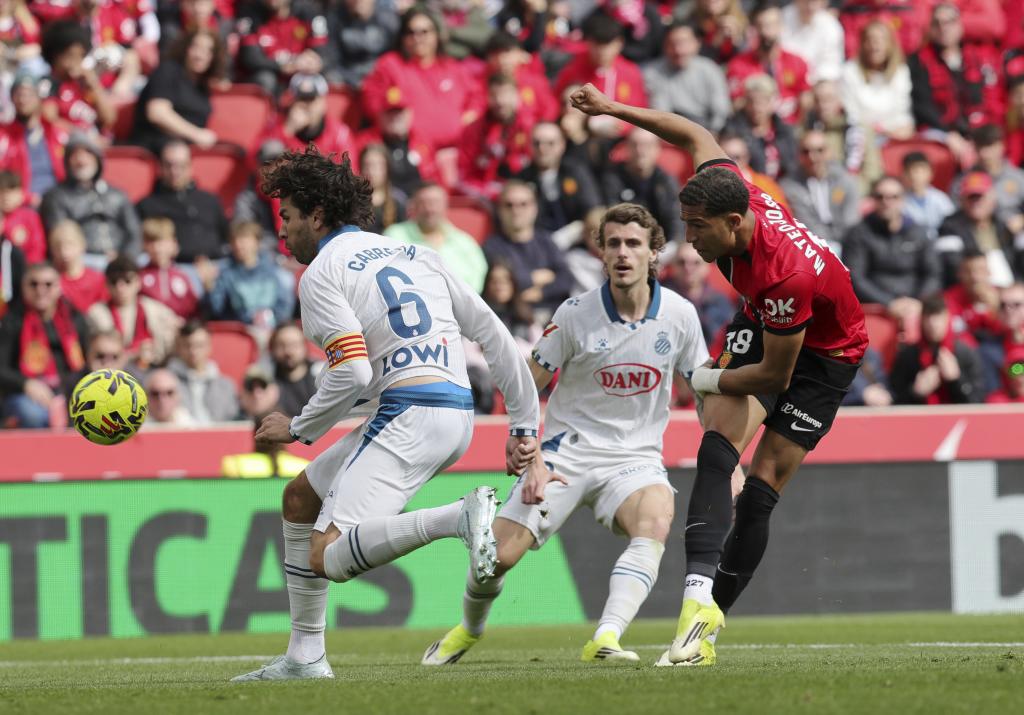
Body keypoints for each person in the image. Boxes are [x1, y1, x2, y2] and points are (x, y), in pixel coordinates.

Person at [568, 83, 867, 666]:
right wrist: (612, 108)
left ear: (734, 222)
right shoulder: (732, 188)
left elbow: (775, 376)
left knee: (759, 492)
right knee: (716, 449)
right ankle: (695, 600)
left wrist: (704, 380)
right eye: (685, 223)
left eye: (698, 227)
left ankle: (703, 633)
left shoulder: (785, 274)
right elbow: (693, 133)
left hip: (827, 354)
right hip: (768, 319)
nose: (688, 239)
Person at [231, 146, 540, 681]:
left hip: (409, 413)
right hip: (454, 411)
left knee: (326, 556)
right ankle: (304, 657)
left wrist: (299, 427)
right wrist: (524, 424)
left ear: (317, 216)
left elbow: (352, 371)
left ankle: (457, 518)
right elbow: (494, 333)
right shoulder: (414, 253)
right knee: (300, 499)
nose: (282, 232)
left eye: (288, 217)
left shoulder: (321, 273)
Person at [421, 202, 709, 666]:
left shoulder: (680, 315)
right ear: (600, 253)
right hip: (564, 455)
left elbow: (703, 391)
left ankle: (606, 637)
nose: (623, 253)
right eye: (613, 243)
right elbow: (526, 382)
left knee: (656, 519)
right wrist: (529, 450)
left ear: (654, 252)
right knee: (494, 559)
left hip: (634, 458)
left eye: (633, 244)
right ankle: (468, 630)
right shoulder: (575, 314)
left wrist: (727, 459)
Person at [843, 176, 942, 334]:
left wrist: (918, 301)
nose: (886, 202)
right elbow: (855, 278)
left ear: (903, 200)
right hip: (875, 309)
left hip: (915, 306)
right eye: (880, 197)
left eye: (893, 197)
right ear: (873, 200)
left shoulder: (919, 232)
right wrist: (889, 303)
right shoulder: (858, 234)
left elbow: (933, 274)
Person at [0, 261, 87, 428]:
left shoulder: (74, 319)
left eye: (48, 284)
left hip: (72, 390)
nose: (40, 290)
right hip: (27, 394)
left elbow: (88, 359)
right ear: (24, 288)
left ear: (59, 287)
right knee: (32, 414)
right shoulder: (12, 321)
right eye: (33, 284)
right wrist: (26, 384)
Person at [40, 132, 141, 266]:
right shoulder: (56, 197)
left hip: (121, 259)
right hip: (83, 260)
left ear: (97, 159)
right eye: (75, 155)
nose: (81, 160)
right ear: (67, 161)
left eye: (88, 153)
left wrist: (124, 258)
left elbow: (134, 232)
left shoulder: (117, 194)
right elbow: (61, 238)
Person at [483, 180, 573, 322]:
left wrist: (541, 292)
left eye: (523, 204)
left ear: (535, 208)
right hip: (513, 322)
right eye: (509, 205)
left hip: (555, 320)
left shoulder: (546, 241)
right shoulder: (492, 246)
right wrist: (536, 277)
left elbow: (566, 279)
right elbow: (502, 284)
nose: (516, 210)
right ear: (499, 210)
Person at [131, 27, 225, 154]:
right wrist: (196, 134)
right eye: (195, 47)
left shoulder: (202, 85)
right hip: (156, 147)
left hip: (189, 150)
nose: (200, 55)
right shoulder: (168, 70)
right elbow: (157, 112)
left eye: (208, 51)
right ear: (185, 48)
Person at [137, 140, 228, 268]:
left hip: (219, 265)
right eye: (169, 165)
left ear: (190, 167)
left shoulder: (210, 200)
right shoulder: (147, 205)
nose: (175, 171)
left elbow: (226, 236)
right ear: (160, 167)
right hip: (176, 268)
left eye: (181, 165)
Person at [383, 182, 487, 293]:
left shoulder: (464, 241)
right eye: (423, 203)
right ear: (413, 206)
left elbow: (479, 273)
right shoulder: (395, 236)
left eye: (435, 202)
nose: (430, 209)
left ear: (446, 205)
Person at [889, 292, 985, 404]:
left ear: (947, 318)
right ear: (921, 320)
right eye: (928, 317)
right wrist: (915, 392)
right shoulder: (908, 356)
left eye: (938, 317)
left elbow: (977, 401)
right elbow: (894, 400)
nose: (933, 324)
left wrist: (956, 380)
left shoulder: (964, 353)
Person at [726, 2, 811, 126]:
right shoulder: (738, 65)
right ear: (753, 29)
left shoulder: (797, 62)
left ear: (781, 26)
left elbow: (806, 102)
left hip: (790, 127)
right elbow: (735, 104)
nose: (766, 32)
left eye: (771, 25)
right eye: (761, 26)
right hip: (752, 129)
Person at [778, 129, 861, 255]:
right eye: (806, 152)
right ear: (798, 155)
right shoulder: (789, 186)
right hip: (811, 247)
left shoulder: (846, 181)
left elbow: (850, 220)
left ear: (829, 152)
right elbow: (805, 222)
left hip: (847, 243)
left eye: (819, 150)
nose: (812, 157)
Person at [643, 22, 731, 135]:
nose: (678, 50)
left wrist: (713, 132)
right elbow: (659, 113)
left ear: (697, 43)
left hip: (706, 130)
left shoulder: (710, 69)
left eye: (683, 43)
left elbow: (721, 110)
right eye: (672, 44)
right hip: (667, 132)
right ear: (664, 46)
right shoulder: (651, 73)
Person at [515, 121, 602, 235]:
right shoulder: (521, 179)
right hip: (536, 240)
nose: (542, 148)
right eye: (537, 143)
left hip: (578, 239)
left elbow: (593, 209)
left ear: (562, 145)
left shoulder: (576, 171)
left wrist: (570, 235)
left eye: (550, 143)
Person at [600, 128, 684, 244]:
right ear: (626, 148)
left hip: (660, 245)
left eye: (647, 146)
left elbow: (675, 221)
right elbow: (609, 215)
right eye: (634, 145)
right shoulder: (611, 178)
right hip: (622, 242)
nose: (640, 151)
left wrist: (672, 246)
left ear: (657, 149)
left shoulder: (666, 182)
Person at [207, 220, 295, 329]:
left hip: (273, 329)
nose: (238, 244)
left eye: (244, 239)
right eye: (234, 240)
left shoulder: (274, 271)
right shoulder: (225, 274)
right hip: (241, 331)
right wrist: (210, 288)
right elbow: (218, 309)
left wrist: (272, 322)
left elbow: (284, 306)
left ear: (257, 242)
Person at [839, 19, 915, 143]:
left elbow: (903, 113)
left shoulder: (901, 72)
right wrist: (878, 130)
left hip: (895, 135)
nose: (875, 45)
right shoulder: (850, 71)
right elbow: (852, 115)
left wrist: (892, 131)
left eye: (881, 39)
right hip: (862, 138)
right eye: (870, 39)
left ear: (890, 44)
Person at [166, 320, 239, 423]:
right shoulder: (163, 385)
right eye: (187, 345)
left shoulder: (226, 386)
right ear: (178, 348)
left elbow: (234, 420)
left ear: (209, 347)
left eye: (199, 345)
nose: (193, 351)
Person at [137, 217, 199, 320]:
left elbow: (193, 310)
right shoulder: (139, 276)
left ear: (173, 243)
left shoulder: (183, 276)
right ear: (144, 245)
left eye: (161, 242)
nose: (157, 248)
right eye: (151, 242)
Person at [47, 219, 106, 315]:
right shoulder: (50, 282)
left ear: (82, 245)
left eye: (70, 245)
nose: (64, 252)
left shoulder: (97, 279)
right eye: (58, 246)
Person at [267, 321, 320, 418]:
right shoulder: (266, 380)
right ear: (272, 349)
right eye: (281, 345)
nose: (288, 351)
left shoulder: (322, 375)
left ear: (304, 347)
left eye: (294, 345)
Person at [901, 151, 955, 240]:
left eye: (919, 171)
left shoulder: (941, 199)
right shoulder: (901, 201)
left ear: (930, 173)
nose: (914, 176)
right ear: (904, 174)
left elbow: (952, 223)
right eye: (910, 171)